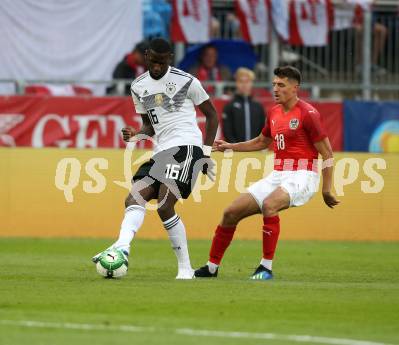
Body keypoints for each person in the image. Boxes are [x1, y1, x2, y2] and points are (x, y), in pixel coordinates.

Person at [194, 66, 339, 280]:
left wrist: (326, 189)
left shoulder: (308, 114)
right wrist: (230, 146)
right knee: (230, 212)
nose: (275, 89)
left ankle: (266, 268)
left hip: (303, 175)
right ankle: (211, 267)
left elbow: (327, 154)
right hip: (278, 174)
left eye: (281, 85)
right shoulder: (274, 112)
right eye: (274, 85)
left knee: (270, 205)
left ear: (295, 88)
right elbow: (262, 142)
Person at [93, 38, 218, 279]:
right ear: (147, 56)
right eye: (153, 61)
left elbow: (212, 116)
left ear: (169, 58)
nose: (157, 67)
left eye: (162, 62)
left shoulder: (187, 81)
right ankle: (122, 247)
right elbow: (149, 126)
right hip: (160, 151)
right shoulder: (138, 86)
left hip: (186, 147)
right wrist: (136, 134)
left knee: (164, 204)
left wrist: (205, 153)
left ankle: (185, 269)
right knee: (133, 197)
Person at [222, 67, 266, 143]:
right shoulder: (230, 106)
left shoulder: (258, 107)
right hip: (235, 151)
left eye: (247, 81)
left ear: (251, 83)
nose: (244, 85)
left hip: (255, 151)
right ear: (236, 83)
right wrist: (236, 147)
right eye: (241, 81)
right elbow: (227, 131)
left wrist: (256, 146)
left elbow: (262, 129)